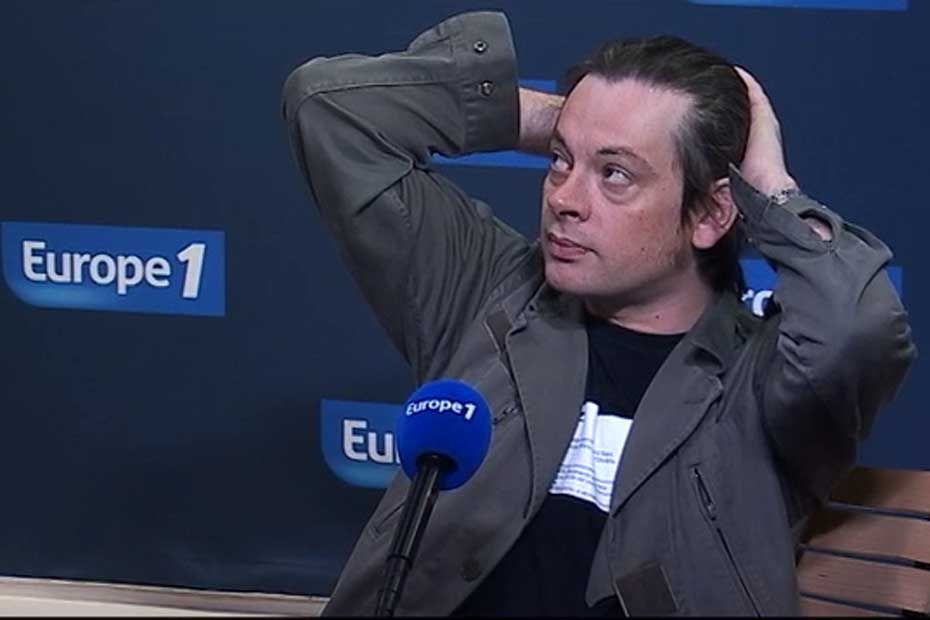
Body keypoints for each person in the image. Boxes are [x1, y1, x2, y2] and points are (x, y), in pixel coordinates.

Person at [281, 10, 915, 617]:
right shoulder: (487, 293)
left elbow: (859, 332)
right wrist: (568, 122)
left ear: (709, 214)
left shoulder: (762, 384)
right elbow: (329, 109)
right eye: (561, 161)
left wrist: (771, 189)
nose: (565, 198)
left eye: (615, 175)